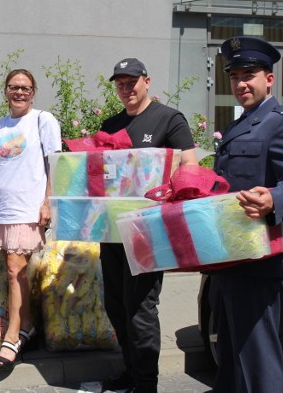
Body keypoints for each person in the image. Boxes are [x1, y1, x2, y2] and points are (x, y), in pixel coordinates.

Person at [208, 37, 283, 392]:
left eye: (249, 74)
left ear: (269, 78)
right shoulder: (238, 125)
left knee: (257, 362)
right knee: (229, 358)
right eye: (234, 76)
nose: (240, 84)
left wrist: (275, 198)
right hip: (227, 259)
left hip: (260, 260)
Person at [100, 58, 198, 392]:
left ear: (147, 81)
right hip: (111, 231)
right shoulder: (111, 124)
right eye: (120, 83)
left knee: (140, 308)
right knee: (115, 304)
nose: (126, 88)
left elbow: (189, 165)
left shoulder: (169, 118)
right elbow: (98, 174)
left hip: (148, 231)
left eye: (132, 82)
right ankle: (131, 369)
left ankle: (146, 383)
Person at [0, 69, 61, 371]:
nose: (19, 92)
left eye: (26, 88)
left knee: (15, 268)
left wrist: (48, 202)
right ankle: (29, 324)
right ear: (5, 91)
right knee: (15, 271)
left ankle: (13, 336)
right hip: (3, 210)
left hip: (28, 208)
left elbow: (54, 164)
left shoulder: (43, 121)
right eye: (14, 87)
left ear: (34, 92)